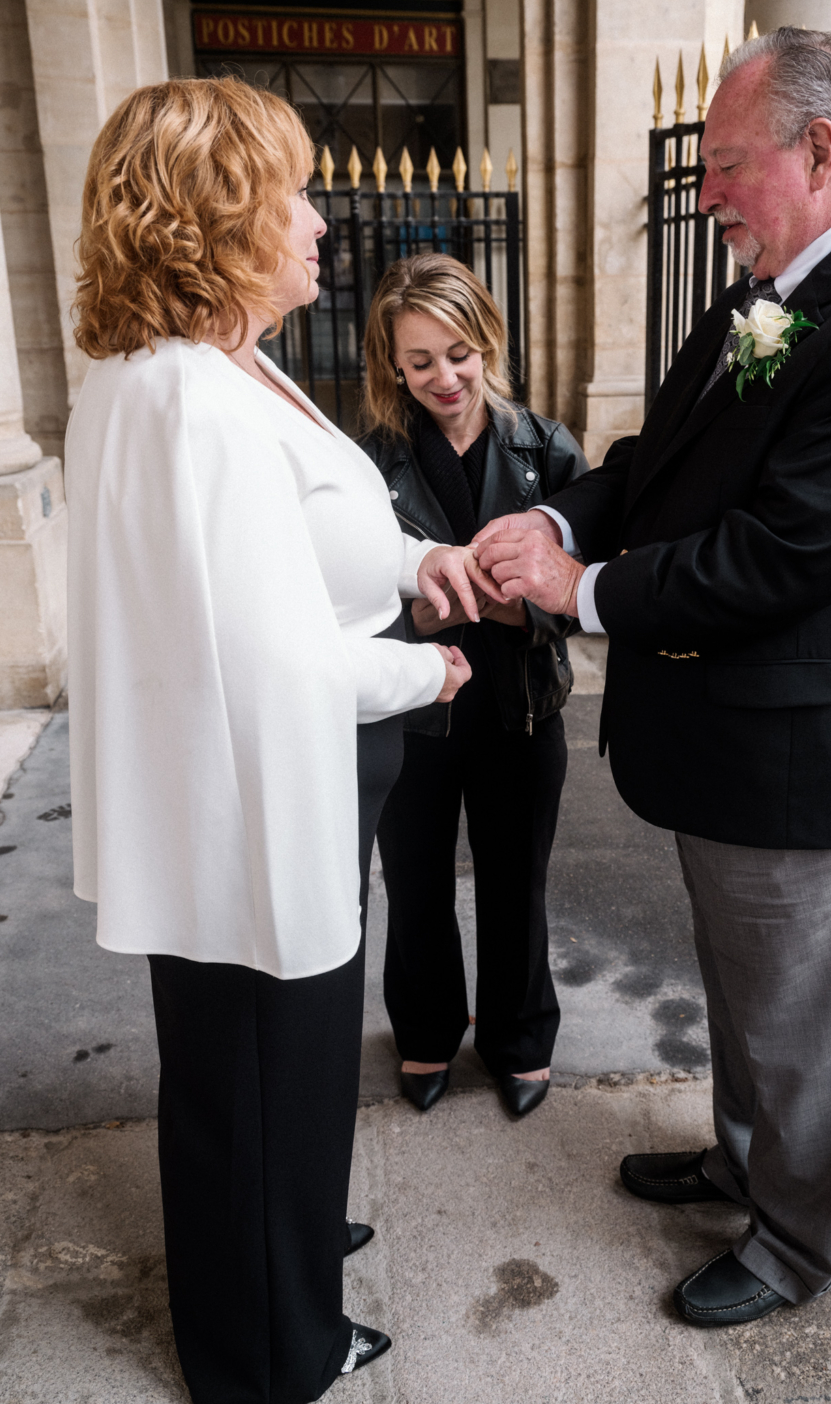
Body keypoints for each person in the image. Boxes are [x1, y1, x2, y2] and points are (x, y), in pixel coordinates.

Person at [474, 29, 831, 1327]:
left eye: (724, 164)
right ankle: (744, 1164)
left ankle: (795, 1243)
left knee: (810, 1022)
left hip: (812, 763)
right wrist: (569, 521)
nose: (705, 195)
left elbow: (781, 554)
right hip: (731, 746)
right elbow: (676, 457)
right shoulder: (782, 294)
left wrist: (576, 594)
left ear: (817, 152)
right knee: (754, 993)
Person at [65, 78, 483, 1402]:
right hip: (258, 782)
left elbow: (312, 542)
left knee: (266, 1070)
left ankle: (284, 1239)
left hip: (252, 780)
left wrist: (418, 558)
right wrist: (425, 670)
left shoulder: (200, 372)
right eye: (290, 194)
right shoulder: (196, 394)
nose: (318, 222)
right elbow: (275, 658)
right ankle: (269, 1349)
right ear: (215, 215)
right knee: (258, 1071)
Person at [360, 254, 588, 1117]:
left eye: (457, 352)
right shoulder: (365, 462)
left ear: (485, 339)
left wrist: (512, 611)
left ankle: (518, 1037)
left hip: (518, 706)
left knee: (513, 881)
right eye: (419, 362)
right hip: (410, 706)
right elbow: (349, 604)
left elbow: (582, 594)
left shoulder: (546, 448)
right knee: (414, 884)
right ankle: (424, 1032)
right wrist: (415, 621)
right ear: (393, 366)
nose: (443, 377)